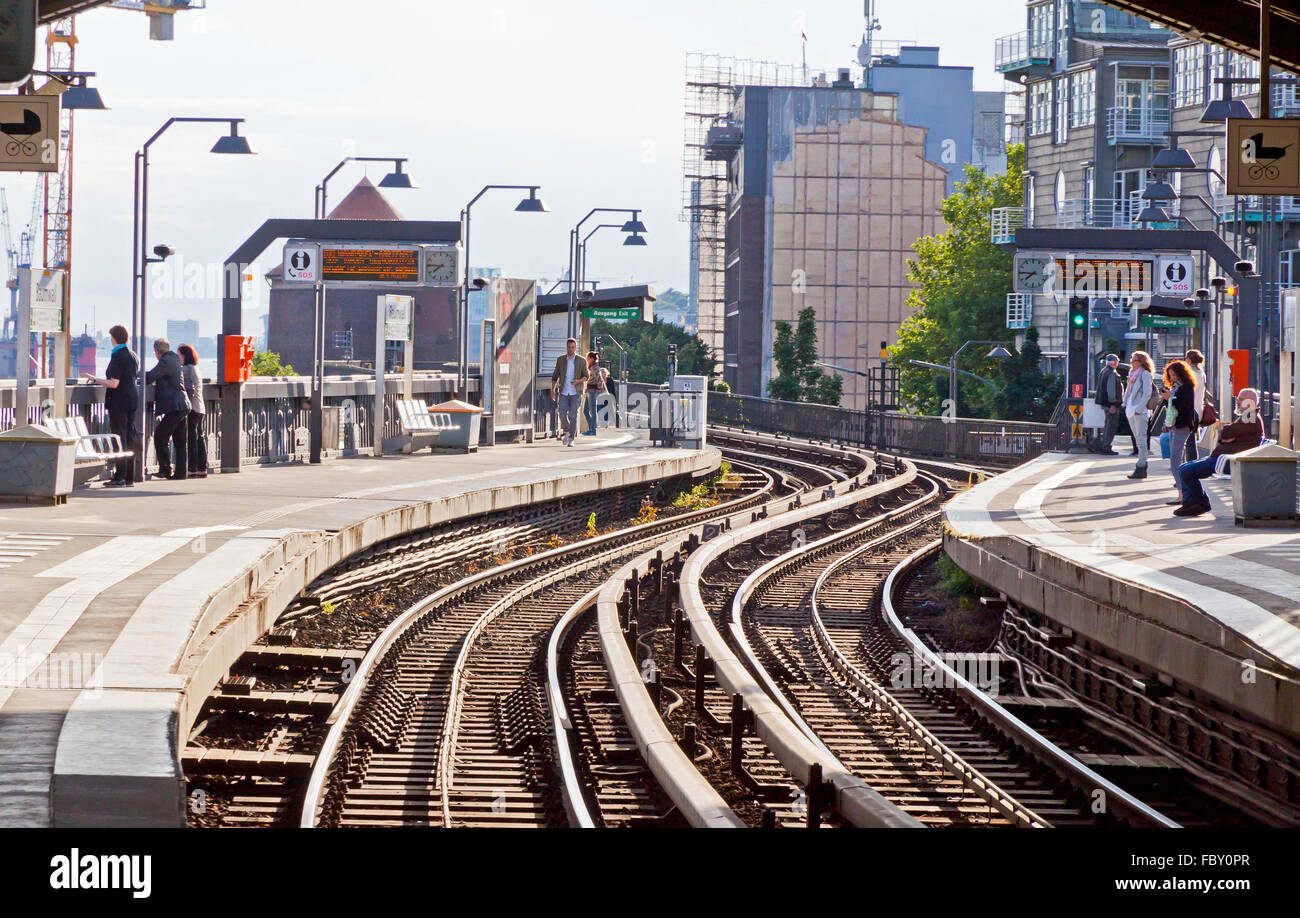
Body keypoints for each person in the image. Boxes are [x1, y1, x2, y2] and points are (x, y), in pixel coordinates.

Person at [1173, 387, 1264, 517]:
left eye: (1241, 399)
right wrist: (1227, 435)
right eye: (1238, 399)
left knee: (1186, 471)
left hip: (1229, 461)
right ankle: (1194, 502)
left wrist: (1226, 434)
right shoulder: (1247, 416)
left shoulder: (1250, 417)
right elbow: (1227, 434)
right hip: (1224, 458)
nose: (1237, 402)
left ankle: (1197, 502)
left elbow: (1226, 433)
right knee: (1183, 467)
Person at [81, 324, 139, 487]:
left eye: (110, 337)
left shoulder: (118, 356)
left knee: (118, 437)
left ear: (114, 338)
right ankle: (129, 477)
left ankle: (119, 476)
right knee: (129, 437)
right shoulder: (133, 355)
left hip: (119, 401)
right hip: (132, 399)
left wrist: (94, 378)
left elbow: (114, 383)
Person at [145, 337, 190, 480]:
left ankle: (165, 469)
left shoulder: (165, 361)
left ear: (157, 351)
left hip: (175, 406)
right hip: (182, 405)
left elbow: (150, 376)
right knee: (179, 439)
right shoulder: (174, 359)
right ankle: (181, 472)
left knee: (160, 436)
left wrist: (135, 375)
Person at [1160, 358, 1198, 500]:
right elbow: (1172, 408)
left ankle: (1183, 494)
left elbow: (1185, 406)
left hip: (1182, 425)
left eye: (1175, 374)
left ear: (1182, 373)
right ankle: (1183, 492)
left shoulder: (1187, 386)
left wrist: (1171, 398)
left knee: (1175, 461)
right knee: (1176, 459)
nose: (1173, 377)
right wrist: (1169, 398)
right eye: (1170, 375)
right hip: (1174, 425)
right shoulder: (1176, 386)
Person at [549, 337, 588, 447]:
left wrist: (578, 381)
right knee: (561, 413)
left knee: (573, 416)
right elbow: (555, 376)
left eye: (572, 347)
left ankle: (571, 438)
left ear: (576, 348)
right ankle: (567, 430)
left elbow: (587, 376)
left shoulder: (581, 360)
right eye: (568, 347)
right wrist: (552, 390)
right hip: (564, 392)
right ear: (566, 347)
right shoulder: (561, 360)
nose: (570, 349)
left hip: (576, 392)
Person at [177, 344, 207, 478]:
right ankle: (202, 468)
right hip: (200, 407)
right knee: (200, 438)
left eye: (179, 355)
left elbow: (189, 389)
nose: (178, 359)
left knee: (192, 439)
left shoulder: (186, 370)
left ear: (184, 356)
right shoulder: (196, 369)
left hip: (192, 408)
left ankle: (192, 468)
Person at [1123, 350, 1154, 479]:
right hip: (1131, 409)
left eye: (1134, 360)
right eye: (1131, 359)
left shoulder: (1145, 374)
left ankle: (1141, 466)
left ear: (1141, 362)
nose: (1132, 362)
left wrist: (1139, 408)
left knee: (1141, 440)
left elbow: (1147, 393)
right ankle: (1141, 467)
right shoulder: (1132, 374)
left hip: (1139, 411)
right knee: (1137, 439)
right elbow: (1128, 392)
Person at [1092, 354, 1122, 454]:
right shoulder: (1112, 373)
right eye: (1117, 361)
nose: (1117, 363)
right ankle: (1106, 446)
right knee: (1111, 426)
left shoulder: (1104, 371)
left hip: (1104, 403)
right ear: (1114, 362)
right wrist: (1113, 403)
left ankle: (1104, 445)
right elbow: (1111, 391)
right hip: (1111, 405)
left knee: (1107, 425)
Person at [583, 350, 608, 436]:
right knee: (585, 411)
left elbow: (600, 379)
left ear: (591, 358)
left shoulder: (595, 367)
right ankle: (592, 427)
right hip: (590, 390)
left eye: (587, 358)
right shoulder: (591, 367)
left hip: (593, 391)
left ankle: (593, 429)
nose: (586, 359)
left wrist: (600, 389)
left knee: (592, 411)